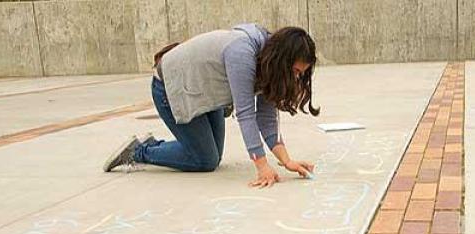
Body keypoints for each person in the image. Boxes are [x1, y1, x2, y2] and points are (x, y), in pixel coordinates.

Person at [103, 24, 319, 188]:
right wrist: (262, 166)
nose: (297, 78)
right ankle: (139, 151)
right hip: (172, 87)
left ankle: (154, 145)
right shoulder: (242, 53)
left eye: (300, 74)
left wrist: (286, 160)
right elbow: (246, 114)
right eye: (295, 72)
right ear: (282, 59)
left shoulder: (270, 61)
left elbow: (266, 116)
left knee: (212, 156)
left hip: (205, 94)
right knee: (204, 160)